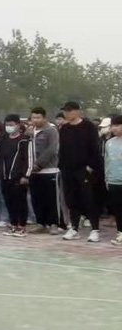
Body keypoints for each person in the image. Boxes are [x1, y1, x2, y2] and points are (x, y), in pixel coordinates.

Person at [59, 102, 102, 242]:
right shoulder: (64, 128)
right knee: (72, 200)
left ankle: (95, 229)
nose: (67, 113)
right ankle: (74, 228)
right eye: (65, 111)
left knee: (89, 199)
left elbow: (94, 148)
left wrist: (91, 166)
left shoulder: (89, 126)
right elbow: (62, 149)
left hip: (85, 169)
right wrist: (62, 166)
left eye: (69, 110)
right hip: (68, 170)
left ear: (78, 111)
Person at [27, 107, 62, 235]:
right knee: (37, 199)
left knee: (51, 199)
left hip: (49, 170)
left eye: (38, 117)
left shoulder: (51, 131)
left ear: (44, 118)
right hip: (33, 171)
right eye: (33, 117)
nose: (35, 120)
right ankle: (41, 223)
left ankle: (54, 224)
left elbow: (52, 149)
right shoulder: (29, 132)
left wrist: (38, 164)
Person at [0, 114, 32, 237]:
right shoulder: (3, 139)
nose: (9, 127)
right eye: (7, 125)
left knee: (20, 201)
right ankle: (13, 223)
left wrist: (26, 175)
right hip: (5, 176)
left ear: (18, 125)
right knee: (9, 201)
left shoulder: (24, 140)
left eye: (11, 125)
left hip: (18, 176)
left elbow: (29, 159)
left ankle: (22, 226)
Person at [103, 115, 122, 245]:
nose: (114, 128)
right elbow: (107, 162)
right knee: (118, 209)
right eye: (112, 125)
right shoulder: (109, 143)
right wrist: (107, 178)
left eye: (117, 125)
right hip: (113, 180)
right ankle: (120, 232)